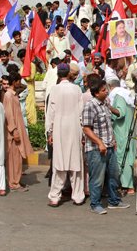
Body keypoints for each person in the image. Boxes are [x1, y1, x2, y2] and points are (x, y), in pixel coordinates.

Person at [82, 79, 129, 214]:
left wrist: (112, 142)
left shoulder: (105, 103)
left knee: (113, 175)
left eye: (106, 89)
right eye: (103, 90)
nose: (107, 91)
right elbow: (86, 129)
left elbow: (109, 124)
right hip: (97, 149)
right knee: (97, 178)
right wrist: (100, 143)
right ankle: (95, 204)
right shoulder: (90, 106)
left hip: (109, 146)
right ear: (96, 93)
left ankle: (114, 200)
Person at [45, 64, 85, 206]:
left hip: (59, 129)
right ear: (69, 74)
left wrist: (49, 132)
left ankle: (55, 196)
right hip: (75, 128)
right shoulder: (77, 89)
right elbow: (81, 112)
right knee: (76, 162)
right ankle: (78, 196)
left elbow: (51, 113)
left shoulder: (54, 90)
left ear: (58, 75)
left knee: (59, 163)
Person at [3, 72, 33, 191]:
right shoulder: (8, 96)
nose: (20, 83)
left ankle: (16, 181)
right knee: (14, 159)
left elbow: (24, 87)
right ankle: (14, 183)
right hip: (13, 132)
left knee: (18, 158)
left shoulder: (14, 94)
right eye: (18, 81)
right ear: (14, 82)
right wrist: (14, 131)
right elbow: (9, 115)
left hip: (18, 130)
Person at [107, 78, 135, 194]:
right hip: (126, 130)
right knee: (128, 156)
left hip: (121, 131)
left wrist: (108, 107)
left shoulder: (118, 96)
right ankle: (128, 185)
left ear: (110, 87)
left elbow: (120, 112)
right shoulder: (125, 95)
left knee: (122, 157)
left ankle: (127, 185)